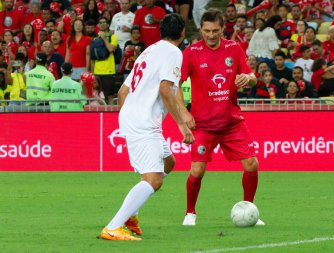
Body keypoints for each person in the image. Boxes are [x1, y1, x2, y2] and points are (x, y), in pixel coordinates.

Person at [100, 13, 194, 241]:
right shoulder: (173, 52)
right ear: (182, 33)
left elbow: (123, 91)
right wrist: (182, 125)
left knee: (169, 162)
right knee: (153, 179)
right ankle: (113, 227)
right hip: (143, 122)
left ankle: (131, 215)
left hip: (132, 116)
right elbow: (165, 89)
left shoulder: (148, 51)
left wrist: (129, 118)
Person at [176, 9, 264, 226]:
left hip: (231, 122)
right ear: (201, 29)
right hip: (203, 124)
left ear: (223, 29)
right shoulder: (191, 51)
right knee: (197, 169)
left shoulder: (233, 49)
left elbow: (252, 77)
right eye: (207, 31)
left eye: (215, 30)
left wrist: (248, 79)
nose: (211, 35)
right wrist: (184, 112)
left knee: (252, 164)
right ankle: (190, 212)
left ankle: (249, 208)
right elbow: (175, 83)